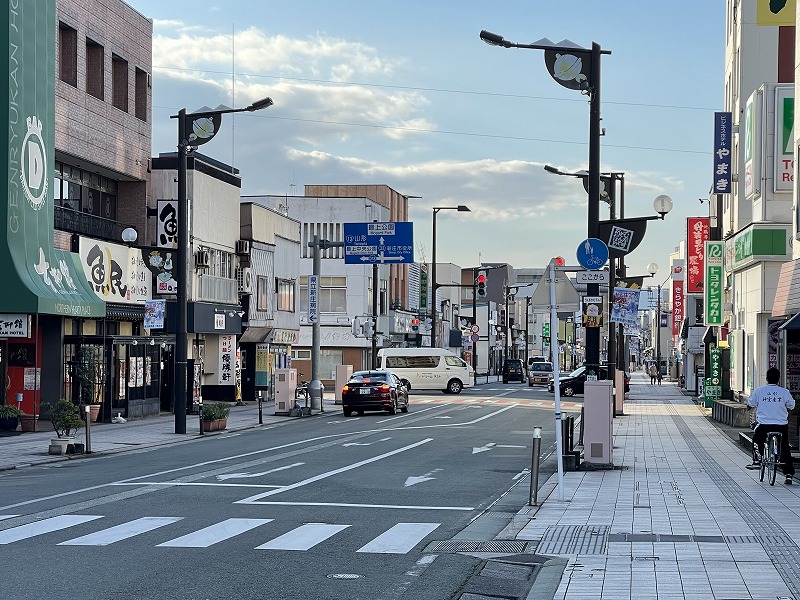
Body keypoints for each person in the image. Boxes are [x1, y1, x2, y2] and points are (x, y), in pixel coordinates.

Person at [746, 367, 796, 484]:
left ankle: (757, 461)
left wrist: (749, 407)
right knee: (784, 447)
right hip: (781, 425)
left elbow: (750, 403)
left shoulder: (759, 391)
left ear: (767, 378)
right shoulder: (784, 392)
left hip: (764, 425)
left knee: (757, 439)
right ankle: (788, 474)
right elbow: (792, 405)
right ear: (778, 379)